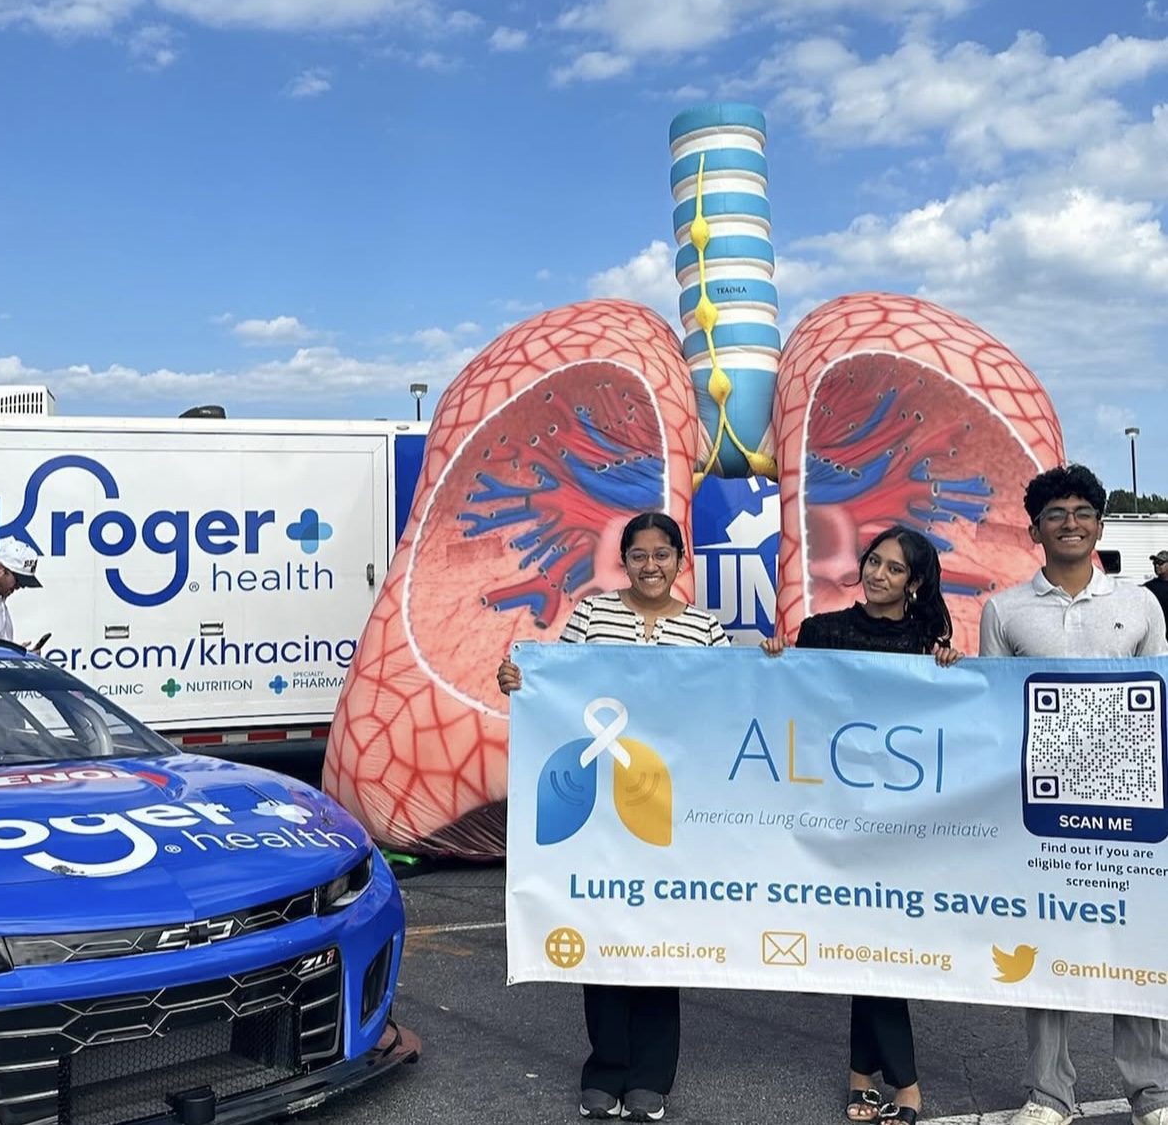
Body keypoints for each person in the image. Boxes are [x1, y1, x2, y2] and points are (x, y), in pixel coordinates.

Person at [496, 511, 728, 1124]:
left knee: (658, 938)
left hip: (669, 811)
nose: (651, 565)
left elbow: (732, 705)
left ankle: (650, 1078)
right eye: (639, 555)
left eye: (662, 554)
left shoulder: (706, 630)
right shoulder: (593, 616)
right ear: (623, 562)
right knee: (601, 933)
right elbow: (556, 688)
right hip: (597, 811)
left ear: (681, 561)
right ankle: (605, 1071)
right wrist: (520, 681)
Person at [979, 464, 1168, 1125]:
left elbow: (1158, 701)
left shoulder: (1140, 606)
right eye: (1055, 513)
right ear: (1035, 530)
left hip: (1131, 802)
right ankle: (1048, 1093)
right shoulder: (1004, 610)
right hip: (1042, 805)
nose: (1070, 523)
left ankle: (1153, 1092)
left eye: (1083, 512)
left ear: (1100, 527)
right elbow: (994, 709)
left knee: (1135, 942)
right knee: (1045, 940)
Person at [761, 524, 963, 1125]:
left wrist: (951, 670)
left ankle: (864, 1079)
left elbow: (944, 721)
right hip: (836, 816)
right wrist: (775, 665)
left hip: (903, 821)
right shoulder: (820, 632)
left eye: (894, 568)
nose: (878, 574)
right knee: (868, 944)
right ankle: (903, 1083)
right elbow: (794, 709)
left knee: (881, 946)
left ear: (915, 582)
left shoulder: (928, 644)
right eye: (874, 561)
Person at [1144, 550, 1168, 628]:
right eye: (1154, 563)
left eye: (1160, 562)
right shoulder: (1149, 587)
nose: (1156, 565)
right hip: (1157, 630)